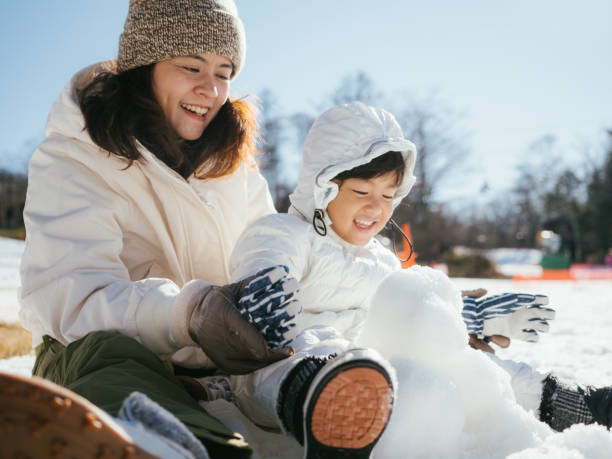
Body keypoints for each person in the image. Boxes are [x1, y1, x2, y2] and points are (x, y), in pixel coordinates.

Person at [211, 102, 612, 452]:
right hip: (286, 368)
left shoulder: (384, 261)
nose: (376, 208)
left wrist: (462, 319)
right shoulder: (285, 232)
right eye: (362, 191)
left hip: (378, 376)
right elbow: (264, 260)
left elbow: (410, 314)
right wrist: (265, 285)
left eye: (388, 196)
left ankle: (566, 402)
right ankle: (329, 407)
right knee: (312, 357)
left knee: (462, 368)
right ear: (324, 187)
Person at [10, 1, 300, 457]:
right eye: (191, 66)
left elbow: (267, 251)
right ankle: (154, 444)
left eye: (224, 72)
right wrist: (188, 313)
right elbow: (71, 301)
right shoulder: (76, 156)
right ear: (145, 65)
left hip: (220, 370)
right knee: (111, 356)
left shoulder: (234, 169)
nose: (211, 89)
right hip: (95, 358)